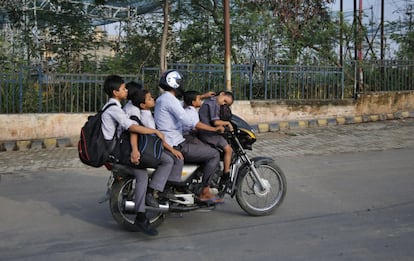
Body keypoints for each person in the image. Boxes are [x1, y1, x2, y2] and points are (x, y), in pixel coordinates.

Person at [101, 75, 163, 236]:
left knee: (142, 174)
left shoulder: (115, 106)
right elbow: (132, 127)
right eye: (123, 88)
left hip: (117, 148)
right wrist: (155, 132)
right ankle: (141, 215)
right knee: (142, 174)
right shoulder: (118, 109)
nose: (126, 91)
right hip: (117, 151)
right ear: (116, 92)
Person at [154, 70, 225, 203]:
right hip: (176, 142)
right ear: (175, 83)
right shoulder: (170, 100)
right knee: (214, 154)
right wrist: (214, 128)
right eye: (180, 82)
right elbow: (189, 121)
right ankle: (205, 191)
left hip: (169, 139)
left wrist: (201, 96)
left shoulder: (163, 98)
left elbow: (184, 105)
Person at [124, 81, 183, 207]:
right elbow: (139, 132)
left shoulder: (135, 109)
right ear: (142, 104)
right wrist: (171, 149)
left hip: (140, 146)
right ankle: (156, 191)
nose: (153, 99)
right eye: (149, 98)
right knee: (169, 160)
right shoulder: (138, 113)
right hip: (144, 148)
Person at [198, 91, 234, 185]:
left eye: (226, 104)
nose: (223, 104)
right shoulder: (214, 103)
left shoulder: (209, 101)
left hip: (204, 132)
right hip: (208, 133)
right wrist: (228, 123)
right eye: (225, 101)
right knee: (228, 149)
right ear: (222, 94)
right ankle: (226, 175)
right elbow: (215, 122)